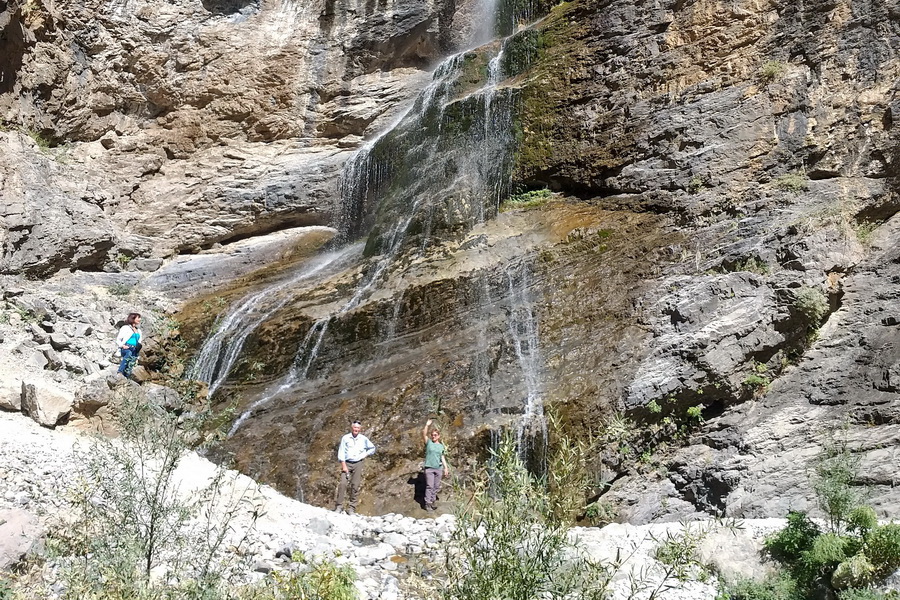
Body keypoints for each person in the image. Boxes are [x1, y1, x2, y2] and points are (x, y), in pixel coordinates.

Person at [335, 420, 376, 515]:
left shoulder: (364, 439)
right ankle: (339, 506)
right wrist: (343, 466)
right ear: (352, 428)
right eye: (354, 428)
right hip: (347, 463)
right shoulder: (345, 438)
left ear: (360, 429)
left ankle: (351, 508)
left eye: (358, 428)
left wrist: (364, 454)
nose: (356, 429)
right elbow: (341, 452)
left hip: (358, 463)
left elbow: (372, 448)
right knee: (343, 484)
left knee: (355, 485)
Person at [422, 419, 449, 511]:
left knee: (436, 486)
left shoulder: (441, 446)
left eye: (435, 435)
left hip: (438, 468)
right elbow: (424, 434)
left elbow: (442, 457)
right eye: (432, 435)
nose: (433, 436)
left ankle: (433, 501)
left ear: (438, 436)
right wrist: (427, 425)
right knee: (429, 485)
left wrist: (446, 468)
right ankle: (427, 503)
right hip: (429, 468)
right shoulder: (429, 443)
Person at [115, 313, 143, 378]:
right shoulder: (125, 328)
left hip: (135, 349)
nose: (139, 319)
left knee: (132, 361)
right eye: (138, 318)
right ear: (133, 318)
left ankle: (127, 376)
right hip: (127, 347)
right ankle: (120, 371)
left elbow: (139, 341)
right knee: (128, 354)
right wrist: (122, 346)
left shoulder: (138, 330)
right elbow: (118, 339)